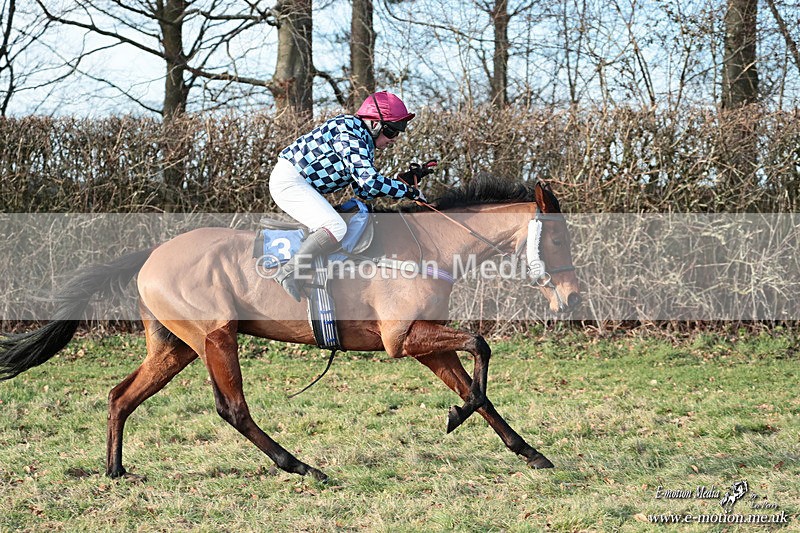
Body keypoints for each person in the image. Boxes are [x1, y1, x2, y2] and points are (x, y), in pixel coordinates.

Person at [269, 91, 427, 302]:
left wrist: (404, 181)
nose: (394, 139)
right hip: (290, 181)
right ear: (374, 124)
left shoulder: (362, 141)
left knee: (341, 222)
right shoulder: (349, 132)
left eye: (399, 132)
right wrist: (407, 191)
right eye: (391, 131)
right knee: (335, 226)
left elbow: (363, 191)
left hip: (300, 183)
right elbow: (369, 181)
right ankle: (288, 272)